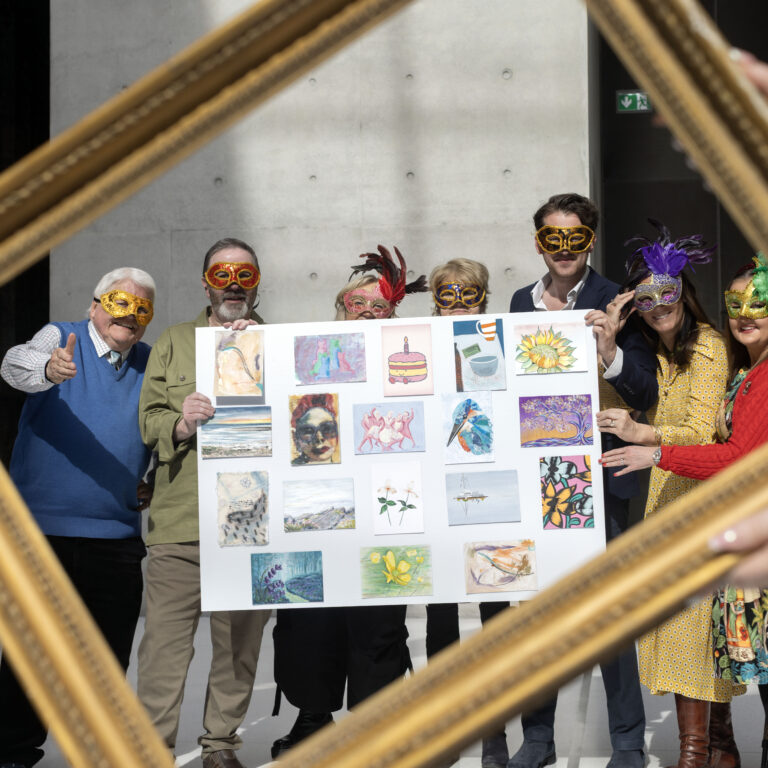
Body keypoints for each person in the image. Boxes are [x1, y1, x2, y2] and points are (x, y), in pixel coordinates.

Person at [507, 194, 658, 768]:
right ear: (538, 243)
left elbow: (646, 389)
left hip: (600, 475)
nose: (564, 249)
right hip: (534, 480)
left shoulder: (617, 299)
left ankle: (627, 743)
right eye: (554, 238)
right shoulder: (519, 303)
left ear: (590, 241)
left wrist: (611, 350)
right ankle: (537, 739)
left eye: (576, 238)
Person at [598, 223, 745, 768]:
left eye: (668, 292)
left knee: (689, 628)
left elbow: (702, 432)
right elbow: (613, 398)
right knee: (694, 628)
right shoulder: (655, 351)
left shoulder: (706, 345)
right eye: (645, 297)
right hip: (667, 500)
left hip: (701, 501)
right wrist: (609, 343)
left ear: (684, 291)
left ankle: (693, 753)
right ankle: (721, 747)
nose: (659, 306)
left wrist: (645, 434)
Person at [271, 246, 427, 758]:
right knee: (306, 617)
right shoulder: (298, 357)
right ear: (340, 307)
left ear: (392, 314)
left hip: (385, 510)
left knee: (378, 621)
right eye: (357, 304)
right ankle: (312, 715)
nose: (366, 313)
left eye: (379, 306)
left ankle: (374, 721)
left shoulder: (410, 364)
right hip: (312, 507)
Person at [0, 267, 156, 768]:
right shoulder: (59, 336)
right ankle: (13, 754)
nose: (128, 315)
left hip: (116, 533)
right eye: (118, 302)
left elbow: (164, 424)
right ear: (94, 305)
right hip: (42, 532)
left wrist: (153, 477)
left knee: (108, 657)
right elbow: (14, 364)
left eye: (141, 307)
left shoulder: (151, 362)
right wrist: (49, 370)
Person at [137, 238, 270, 768]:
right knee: (163, 648)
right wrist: (181, 422)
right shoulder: (173, 341)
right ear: (205, 282)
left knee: (239, 647)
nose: (233, 284)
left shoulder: (280, 342)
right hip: (180, 519)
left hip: (252, 522)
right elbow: (148, 421)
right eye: (222, 274)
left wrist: (263, 352)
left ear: (257, 282)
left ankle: (219, 746)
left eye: (244, 274)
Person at [424, 257, 509, 768]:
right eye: (448, 294)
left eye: (469, 293)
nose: (458, 303)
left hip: (491, 494)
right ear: (435, 300)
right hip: (435, 496)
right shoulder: (415, 345)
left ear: (483, 297)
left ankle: (493, 731)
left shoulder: (500, 343)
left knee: (495, 614)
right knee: (440, 619)